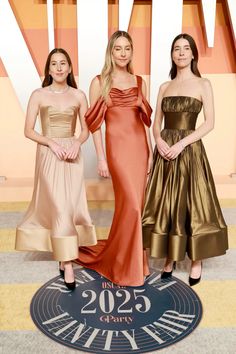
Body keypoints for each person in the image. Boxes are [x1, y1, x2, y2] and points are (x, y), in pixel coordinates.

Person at [142, 33, 228, 286]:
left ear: (193, 54)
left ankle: (195, 260)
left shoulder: (204, 84)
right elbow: (155, 124)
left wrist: (180, 144)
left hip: (188, 151)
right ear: (172, 54)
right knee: (166, 204)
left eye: (186, 48)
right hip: (165, 150)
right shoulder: (164, 87)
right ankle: (170, 257)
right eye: (176, 49)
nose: (181, 52)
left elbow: (209, 123)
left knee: (191, 203)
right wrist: (158, 141)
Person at [15, 48, 97, 290]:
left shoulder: (79, 95)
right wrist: (51, 142)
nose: (59, 67)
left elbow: (85, 129)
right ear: (48, 69)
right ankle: (68, 262)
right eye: (54, 63)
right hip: (49, 154)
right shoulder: (38, 95)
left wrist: (76, 143)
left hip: (72, 154)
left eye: (63, 63)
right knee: (59, 205)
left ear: (70, 68)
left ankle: (64, 255)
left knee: (70, 205)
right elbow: (28, 130)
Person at [77, 30, 153, 286]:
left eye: (127, 48)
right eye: (118, 48)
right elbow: (95, 124)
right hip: (117, 150)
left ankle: (135, 262)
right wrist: (101, 158)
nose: (122, 53)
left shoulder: (140, 81)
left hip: (139, 148)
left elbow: (145, 123)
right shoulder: (100, 81)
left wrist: (151, 153)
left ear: (131, 52)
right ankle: (126, 268)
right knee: (130, 204)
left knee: (135, 208)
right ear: (111, 51)